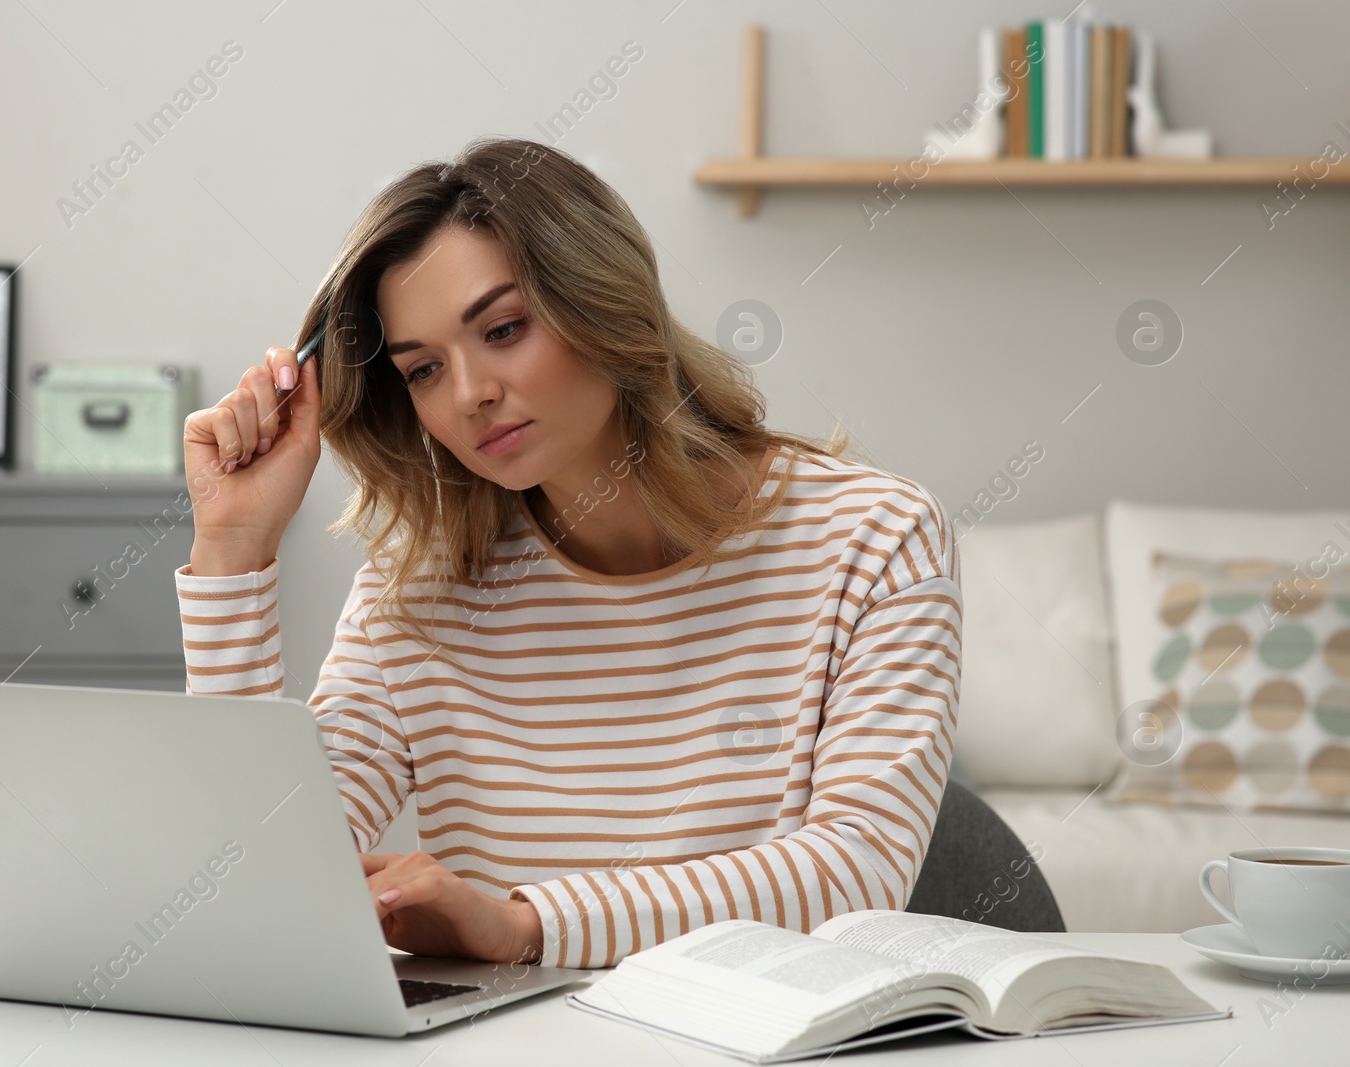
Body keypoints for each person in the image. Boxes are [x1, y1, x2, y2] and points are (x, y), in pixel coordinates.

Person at [176, 136, 962, 972]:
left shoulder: (874, 538)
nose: (471, 392)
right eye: (423, 369)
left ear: (602, 299)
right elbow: (254, 867)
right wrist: (235, 547)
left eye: (505, 329)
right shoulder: (415, 594)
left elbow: (858, 870)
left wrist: (526, 924)